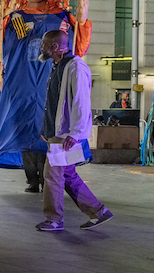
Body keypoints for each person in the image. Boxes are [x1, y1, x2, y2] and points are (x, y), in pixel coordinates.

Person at [0, 0, 91, 194]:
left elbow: (79, 48)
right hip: (20, 87)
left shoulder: (64, 17)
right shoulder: (12, 17)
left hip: (51, 85)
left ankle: (49, 177)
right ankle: (32, 178)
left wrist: (82, 22)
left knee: (49, 131)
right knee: (24, 133)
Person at [35, 30, 112, 232]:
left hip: (65, 135)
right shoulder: (59, 66)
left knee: (52, 176)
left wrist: (75, 133)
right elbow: (53, 103)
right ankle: (98, 212)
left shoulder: (75, 67)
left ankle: (54, 219)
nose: (42, 48)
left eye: (44, 45)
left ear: (55, 47)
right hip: (58, 133)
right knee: (68, 175)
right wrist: (47, 129)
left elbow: (81, 102)